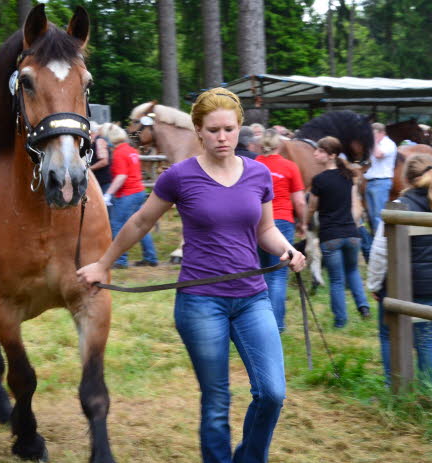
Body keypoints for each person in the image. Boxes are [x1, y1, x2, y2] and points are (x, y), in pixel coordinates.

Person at [77, 87, 306, 463]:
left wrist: (286, 249)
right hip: (201, 303)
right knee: (217, 400)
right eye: (213, 130)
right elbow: (141, 220)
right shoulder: (180, 176)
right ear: (198, 130)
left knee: (272, 393)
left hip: (252, 298)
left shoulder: (258, 173)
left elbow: (265, 229)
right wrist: (104, 263)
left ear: (239, 129)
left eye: (229, 129)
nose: (222, 137)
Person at [367, 152, 432, 384]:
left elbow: (381, 250)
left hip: (400, 286)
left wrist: (374, 283)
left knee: (389, 335)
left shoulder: (399, 206)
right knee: (428, 339)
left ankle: (396, 389)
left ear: (407, 178)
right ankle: (430, 394)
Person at [308, 136, 370, 328]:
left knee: (336, 280)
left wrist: (304, 223)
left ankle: (340, 321)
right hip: (352, 233)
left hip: (330, 235)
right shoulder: (349, 177)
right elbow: (355, 205)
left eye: (320, 151)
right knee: (353, 271)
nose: (315, 153)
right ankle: (364, 306)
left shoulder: (319, 180)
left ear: (331, 155)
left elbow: (312, 207)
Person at [255, 128, 306, 332]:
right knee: (278, 276)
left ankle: (260, 320)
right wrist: (303, 223)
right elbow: (300, 201)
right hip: (283, 220)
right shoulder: (289, 167)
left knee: (260, 272)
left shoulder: (252, 165)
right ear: (279, 145)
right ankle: (276, 325)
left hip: (256, 221)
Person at [100, 123, 157, 269]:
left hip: (127, 194)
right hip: (139, 191)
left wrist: (108, 194)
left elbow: (121, 177)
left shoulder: (118, 153)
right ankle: (150, 257)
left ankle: (120, 260)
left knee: (117, 225)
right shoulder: (131, 150)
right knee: (141, 225)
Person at [364, 123, 397, 233]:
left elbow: (378, 154)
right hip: (370, 182)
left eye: (374, 134)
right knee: (372, 217)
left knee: (379, 216)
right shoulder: (374, 144)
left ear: (382, 133)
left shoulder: (389, 144)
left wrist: (373, 141)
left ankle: (382, 243)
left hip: (381, 182)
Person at [89, 121, 112, 194]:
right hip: (100, 182)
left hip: (103, 183)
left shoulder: (99, 141)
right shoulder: (95, 141)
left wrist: (89, 169)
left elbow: (104, 161)